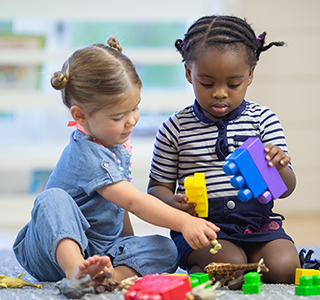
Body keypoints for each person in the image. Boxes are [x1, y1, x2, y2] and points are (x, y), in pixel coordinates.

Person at [13, 37, 220, 282]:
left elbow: (119, 208)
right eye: (119, 116)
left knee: (167, 249)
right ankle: (75, 272)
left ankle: (110, 276)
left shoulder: (115, 147)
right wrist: (185, 222)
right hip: (50, 251)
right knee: (51, 198)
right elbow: (134, 202)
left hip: (99, 251)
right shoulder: (86, 154)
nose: (132, 120)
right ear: (80, 115)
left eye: (135, 108)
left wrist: (128, 248)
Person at [148, 15, 300, 284]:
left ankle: (242, 264)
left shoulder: (263, 120)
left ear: (250, 75)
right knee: (232, 266)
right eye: (207, 83)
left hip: (259, 224)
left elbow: (285, 189)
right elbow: (157, 188)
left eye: (233, 84)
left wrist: (280, 168)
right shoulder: (175, 128)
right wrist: (173, 204)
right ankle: (205, 265)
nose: (220, 93)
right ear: (188, 72)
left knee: (286, 267)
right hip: (203, 228)